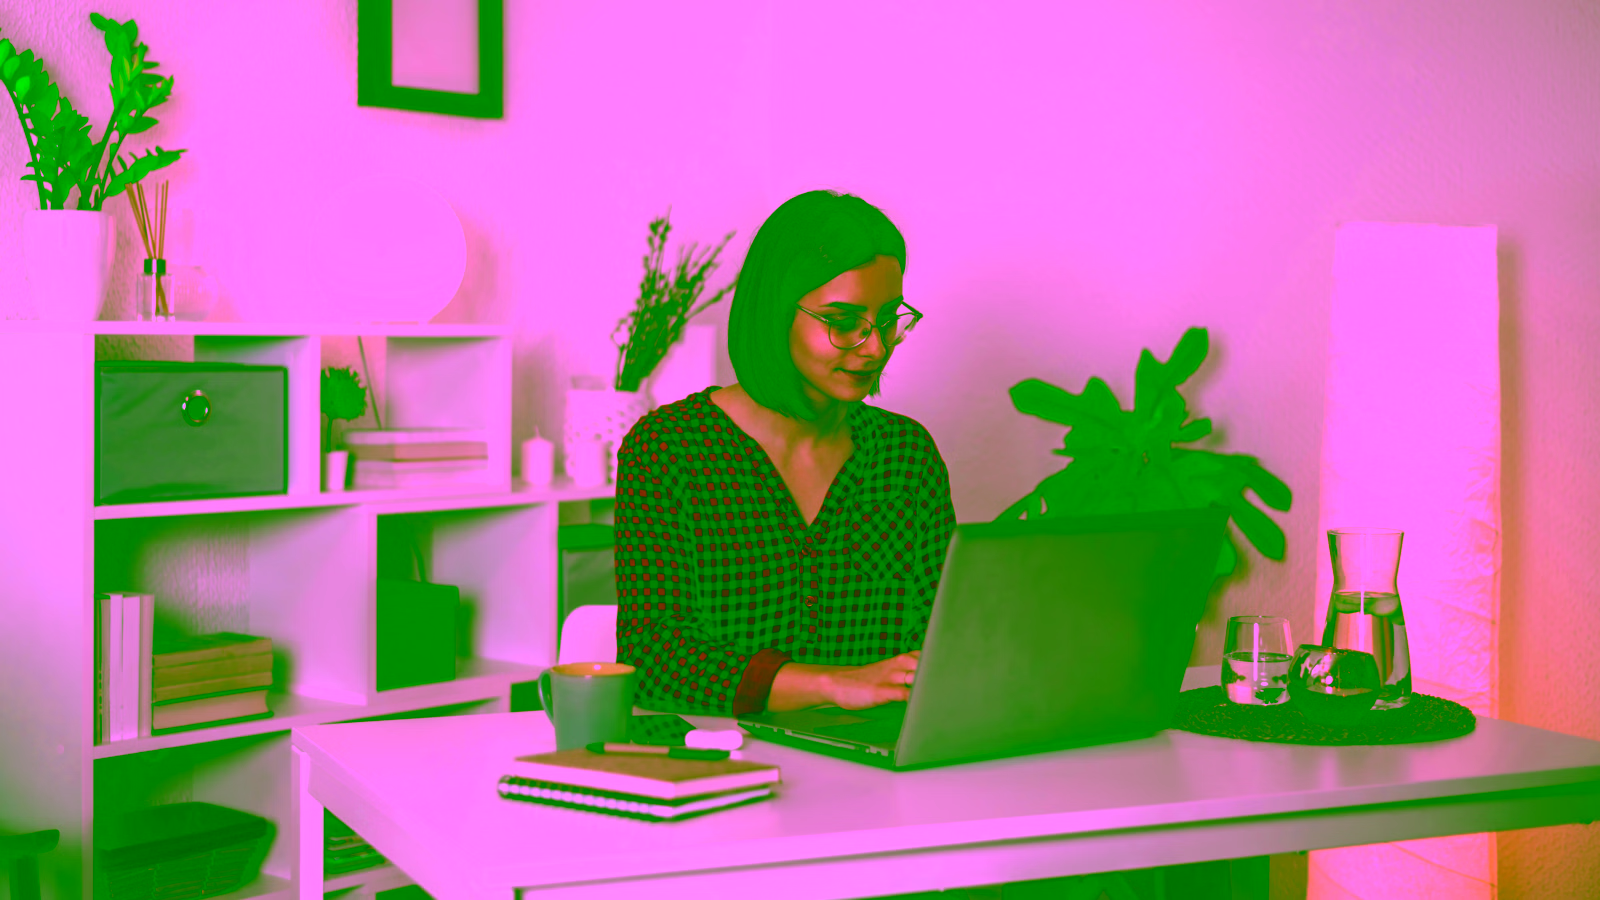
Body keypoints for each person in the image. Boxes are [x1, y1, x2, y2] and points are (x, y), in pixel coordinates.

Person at [614, 189, 956, 716]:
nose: (875, 347)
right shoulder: (669, 450)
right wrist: (830, 684)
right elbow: (655, 655)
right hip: (717, 751)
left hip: (879, 750)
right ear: (776, 314)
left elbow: (944, 632)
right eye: (842, 322)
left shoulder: (906, 456)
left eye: (888, 319)